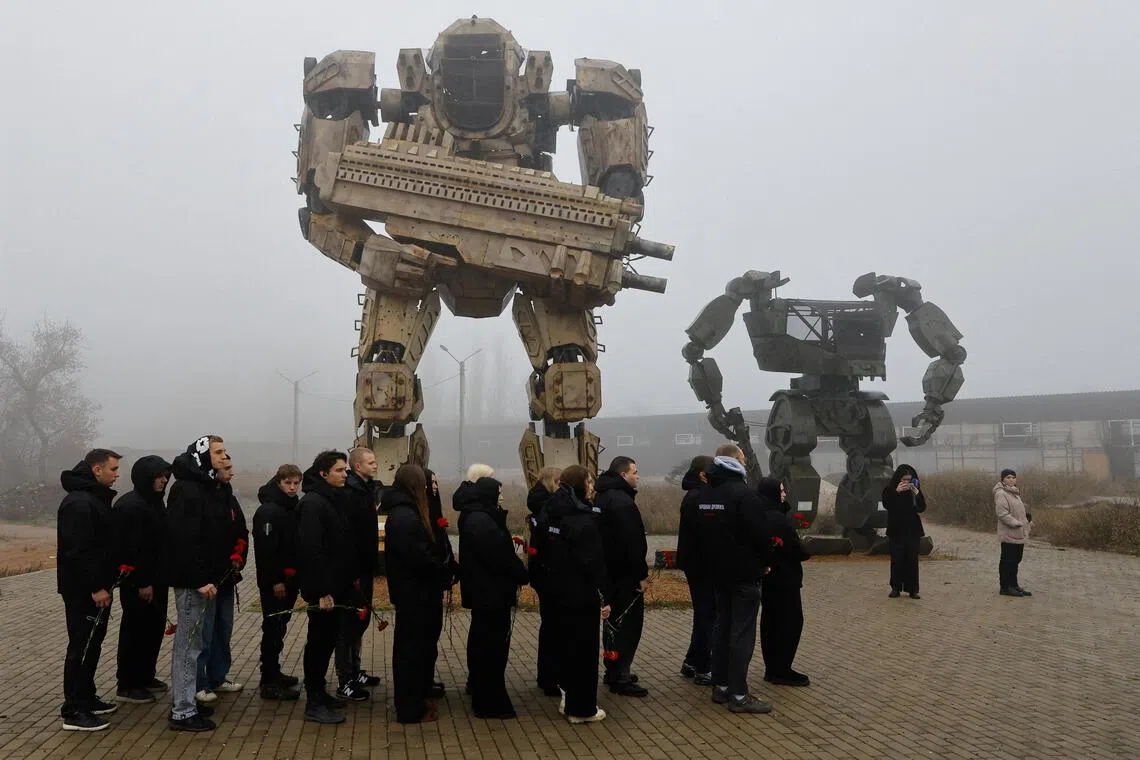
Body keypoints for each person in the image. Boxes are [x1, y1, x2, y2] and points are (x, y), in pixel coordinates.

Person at [696, 448, 773, 714]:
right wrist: (765, 562)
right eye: (742, 459)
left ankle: (722, 686)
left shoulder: (705, 495)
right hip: (744, 574)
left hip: (717, 573)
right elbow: (761, 535)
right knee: (741, 633)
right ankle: (739, 695)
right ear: (736, 464)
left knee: (722, 627)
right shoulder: (744, 495)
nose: (746, 462)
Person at [165, 435, 233, 732]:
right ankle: (182, 710)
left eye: (224, 451)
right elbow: (182, 540)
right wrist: (199, 579)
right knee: (188, 647)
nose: (223, 456)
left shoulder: (209, 487)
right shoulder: (187, 490)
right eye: (217, 452)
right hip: (194, 583)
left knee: (197, 644)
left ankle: (188, 704)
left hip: (209, 581)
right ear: (202, 455)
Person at [536, 465, 611, 724]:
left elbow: (540, 549)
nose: (592, 487)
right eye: (589, 482)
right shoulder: (583, 520)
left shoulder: (551, 512)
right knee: (583, 651)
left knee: (565, 648)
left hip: (556, 592)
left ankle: (567, 698)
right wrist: (604, 595)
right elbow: (593, 564)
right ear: (581, 484)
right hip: (580, 595)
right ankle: (582, 709)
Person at [454, 469, 530, 718]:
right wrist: (521, 573)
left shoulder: (477, 517)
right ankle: (489, 701)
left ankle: (480, 688)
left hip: (484, 592)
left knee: (482, 643)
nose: (502, 499)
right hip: (491, 594)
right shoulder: (482, 521)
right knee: (491, 648)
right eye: (499, 494)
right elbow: (500, 556)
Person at [57, 449, 123, 732]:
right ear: (96, 470)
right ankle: (73, 710)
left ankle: (87, 696)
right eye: (113, 469)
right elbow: (79, 551)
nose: (116, 474)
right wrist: (96, 587)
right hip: (84, 591)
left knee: (92, 645)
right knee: (81, 648)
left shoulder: (93, 499)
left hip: (97, 588)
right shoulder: (80, 503)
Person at [295, 450, 353, 724]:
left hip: (336, 585)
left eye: (345, 470)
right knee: (318, 643)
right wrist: (321, 592)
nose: (345, 474)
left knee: (328, 640)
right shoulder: (313, 504)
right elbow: (311, 551)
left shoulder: (333, 500)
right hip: (323, 590)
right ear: (323, 474)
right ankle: (313, 701)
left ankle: (320, 692)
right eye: (340, 470)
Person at [382, 464, 442, 724]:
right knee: (409, 652)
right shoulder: (406, 516)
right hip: (414, 593)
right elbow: (418, 557)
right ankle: (409, 707)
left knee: (413, 650)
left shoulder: (405, 512)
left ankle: (414, 700)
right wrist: (440, 569)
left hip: (414, 592)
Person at [112, 455, 173, 705]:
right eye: (158, 476)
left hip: (158, 580)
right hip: (138, 583)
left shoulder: (156, 503)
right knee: (135, 631)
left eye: (165, 476)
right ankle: (128, 683)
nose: (163, 480)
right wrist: (141, 581)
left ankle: (146, 676)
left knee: (153, 629)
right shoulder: (131, 506)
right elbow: (130, 549)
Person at [595, 456, 649, 697]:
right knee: (628, 624)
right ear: (623, 474)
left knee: (612, 623)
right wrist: (641, 575)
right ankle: (621, 675)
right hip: (625, 575)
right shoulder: (622, 502)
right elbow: (632, 544)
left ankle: (613, 667)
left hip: (607, 573)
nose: (638, 476)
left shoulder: (601, 496)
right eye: (635, 472)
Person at [195, 456, 248, 703]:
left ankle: (218, 676)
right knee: (203, 632)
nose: (231, 472)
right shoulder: (201, 497)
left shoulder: (228, 496)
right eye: (226, 468)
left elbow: (240, 528)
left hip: (227, 577)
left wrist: (240, 554)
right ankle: (199, 682)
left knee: (222, 629)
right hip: (208, 580)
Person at [252, 464, 303, 700]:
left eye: (296, 483)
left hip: (289, 578)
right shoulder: (269, 511)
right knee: (272, 628)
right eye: (288, 483)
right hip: (276, 583)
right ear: (279, 482)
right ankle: (268, 680)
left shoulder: (291, 506)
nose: (292, 488)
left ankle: (274, 672)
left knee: (280, 626)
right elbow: (266, 552)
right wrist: (275, 580)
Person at [334, 447, 381, 700]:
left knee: (360, 622)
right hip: (354, 571)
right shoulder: (351, 494)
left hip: (364, 567)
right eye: (370, 462)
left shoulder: (366, 489)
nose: (375, 465)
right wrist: (352, 571)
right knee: (348, 625)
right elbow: (349, 537)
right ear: (358, 467)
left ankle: (355, 669)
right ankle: (345, 679)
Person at [758, 477, 811, 686]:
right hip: (785, 579)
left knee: (770, 623)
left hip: (768, 578)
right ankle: (782, 669)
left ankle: (772, 668)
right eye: (780, 491)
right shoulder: (779, 520)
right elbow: (797, 549)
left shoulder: (760, 515)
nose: (784, 494)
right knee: (790, 623)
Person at [676, 454, 715, 685]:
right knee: (706, 614)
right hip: (701, 564)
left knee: (704, 613)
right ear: (702, 475)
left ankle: (692, 661)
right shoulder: (698, 498)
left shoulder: (695, 495)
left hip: (696, 562)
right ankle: (703, 667)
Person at [525, 465, 561, 696]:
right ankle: (550, 677)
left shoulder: (538, 504)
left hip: (542, 573)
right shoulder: (547, 507)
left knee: (549, 625)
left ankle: (546, 675)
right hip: (549, 574)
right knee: (553, 626)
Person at [424, 468, 458, 699]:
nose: (435, 487)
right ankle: (422, 682)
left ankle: (427, 679)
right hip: (425, 587)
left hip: (435, 583)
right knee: (424, 637)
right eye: (431, 483)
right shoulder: (419, 514)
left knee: (431, 637)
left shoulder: (434, 511)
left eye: (436, 482)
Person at [882, 464, 926, 600]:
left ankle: (913, 589)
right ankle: (895, 588)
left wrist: (917, 493)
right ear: (899, 479)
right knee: (897, 560)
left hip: (913, 530)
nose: (907, 482)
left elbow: (922, 507)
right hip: (896, 530)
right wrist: (896, 492)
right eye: (904, 480)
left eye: (909, 479)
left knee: (912, 560)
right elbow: (887, 505)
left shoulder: (915, 490)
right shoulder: (889, 490)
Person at [994, 469, 1033, 597]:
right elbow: (1002, 514)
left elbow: (1018, 510)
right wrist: (1016, 523)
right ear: (1003, 479)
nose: (1011, 480)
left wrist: (1026, 521)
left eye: (1013, 477)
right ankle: (1005, 587)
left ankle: (1014, 584)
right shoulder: (1001, 493)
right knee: (1007, 560)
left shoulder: (1015, 493)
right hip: (1009, 532)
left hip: (1019, 532)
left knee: (1016, 559)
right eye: (1008, 477)